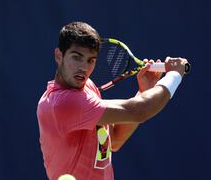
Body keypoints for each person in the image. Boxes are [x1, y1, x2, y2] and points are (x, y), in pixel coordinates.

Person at [36, 21, 188, 180]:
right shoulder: (63, 104)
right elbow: (140, 110)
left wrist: (144, 91)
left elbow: (114, 140)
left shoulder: (87, 86)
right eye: (77, 57)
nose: (84, 68)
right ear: (59, 55)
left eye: (91, 60)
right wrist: (174, 75)